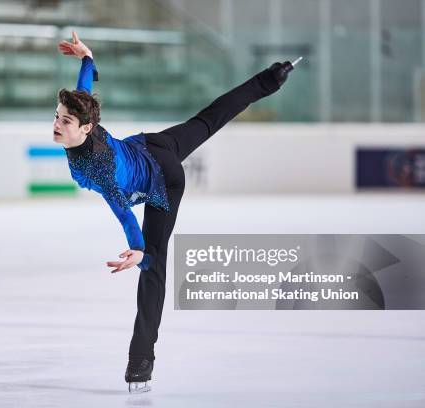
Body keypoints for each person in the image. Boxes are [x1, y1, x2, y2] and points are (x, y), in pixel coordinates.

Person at [53, 31, 295, 393]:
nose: (56, 124)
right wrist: (88, 58)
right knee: (209, 119)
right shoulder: (85, 118)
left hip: (162, 180)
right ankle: (271, 78)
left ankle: (140, 361)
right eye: (57, 117)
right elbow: (84, 92)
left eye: (65, 122)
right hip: (153, 144)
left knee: (153, 267)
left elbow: (121, 210)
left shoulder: (97, 166)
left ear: (86, 128)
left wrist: (140, 250)